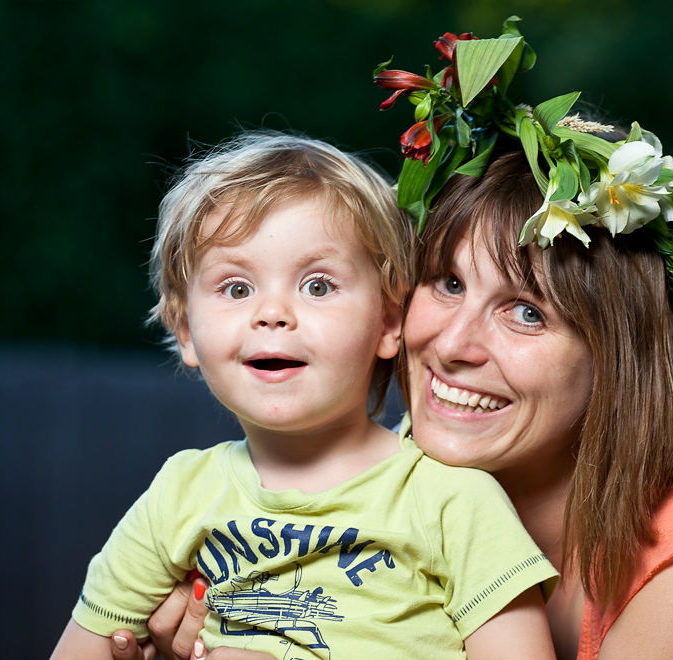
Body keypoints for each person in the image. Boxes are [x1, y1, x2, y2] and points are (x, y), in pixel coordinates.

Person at [111, 21, 673, 660]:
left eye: (528, 312)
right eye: (445, 282)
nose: (453, 345)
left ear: (622, 357)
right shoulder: (410, 487)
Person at [50, 132, 559, 660]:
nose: (273, 313)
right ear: (184, 329)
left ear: (389, 320)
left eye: (317, 286)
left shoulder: (453, 502)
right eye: (236, 288)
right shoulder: (177, 497)